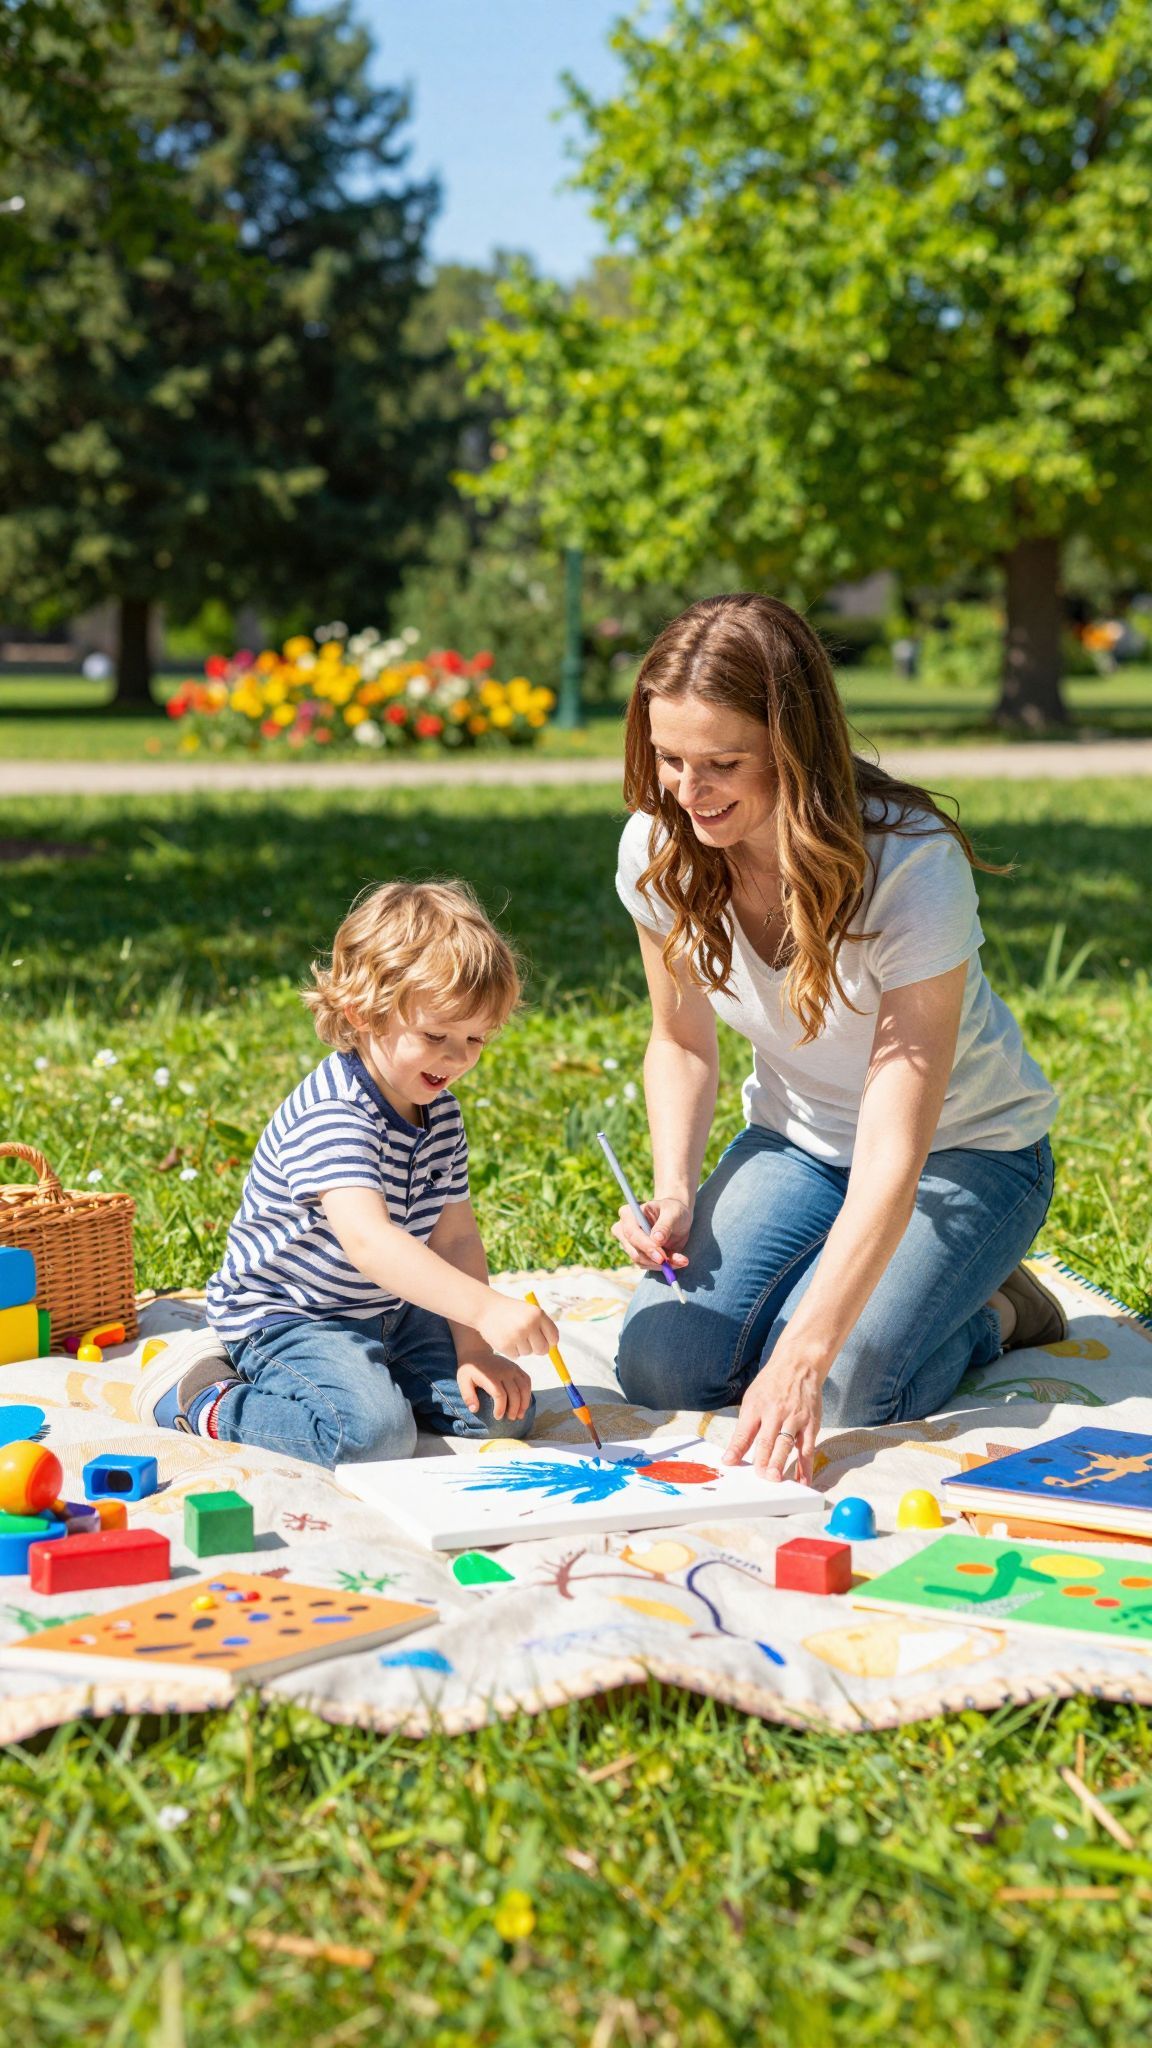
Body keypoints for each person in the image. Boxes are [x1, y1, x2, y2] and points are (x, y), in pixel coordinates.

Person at [612, 593, 1064, 1485]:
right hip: (799, 1142)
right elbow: (681, 1043)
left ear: (793, 745)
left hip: (963, 1154)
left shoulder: (910, 862)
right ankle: (872, 1289)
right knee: (662, 1362)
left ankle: (998, 1311)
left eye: (721, 763)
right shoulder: (659, 849)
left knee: (848, 1384)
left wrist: (808, 1351)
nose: (687, 793)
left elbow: (897, 1142)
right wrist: (674, 1189)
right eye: (668, 760)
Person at [135, 881, 556, 1467]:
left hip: (390, 1312)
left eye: (475, 1039)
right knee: (371, 1437)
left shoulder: (440, 1113)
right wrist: (486, 1308)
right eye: (436, 1036)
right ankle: (202, 1395)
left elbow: (455, 1236)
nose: (457, 1058)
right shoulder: (335, 1112)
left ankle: (372, 1381)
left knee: (501, 1412)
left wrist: (473, 1345)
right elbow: (369, 1241)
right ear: (363, 1013)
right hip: (291, 1315)